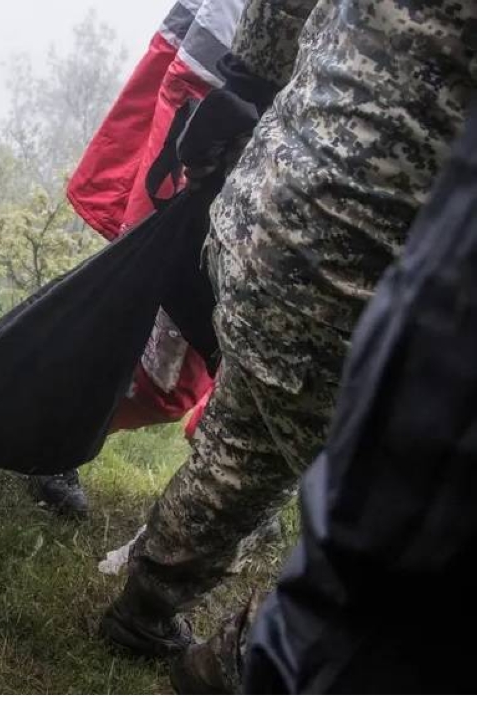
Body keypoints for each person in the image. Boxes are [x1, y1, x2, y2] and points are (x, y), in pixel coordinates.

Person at [97, 0, 477, 690]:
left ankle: (145, 606)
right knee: (401, 517)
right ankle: (247, 659)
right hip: (360, 269)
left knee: (245, 440)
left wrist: (246, 82)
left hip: (261, 212)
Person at [31, 0, 248, 517]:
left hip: (281, 143)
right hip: (218, 106)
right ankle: (38, 425)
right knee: (150, 324)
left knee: (197, 355)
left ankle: (33, 420)